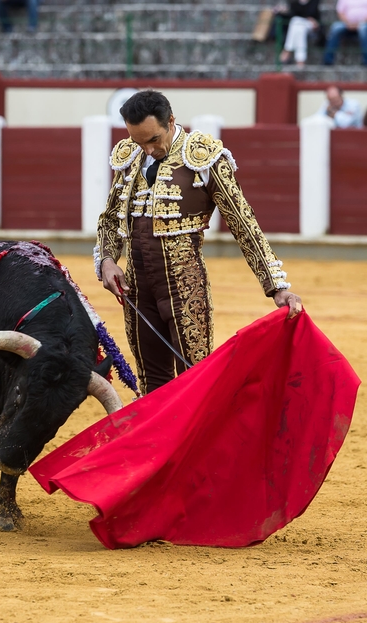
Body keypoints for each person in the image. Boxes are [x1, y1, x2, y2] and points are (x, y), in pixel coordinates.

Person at [94, 90, 303, 395]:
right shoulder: (130, 156)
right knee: (151, 384)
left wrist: (277, 286)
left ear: (171, 122)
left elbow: (243, 224)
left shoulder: (203, 157)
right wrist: (108, 260)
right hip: (137, 291)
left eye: (153, 139)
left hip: (184, 287)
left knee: (195, 381)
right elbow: (110, 219)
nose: (147, 150)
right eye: (138, 141)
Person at [322, 0, 367, 67]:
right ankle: (327, 61)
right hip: (348, 24)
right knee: (335, 27)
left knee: (363, 28)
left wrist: (361, 22)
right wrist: (348, 23)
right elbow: (340, 12)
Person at [276, 0, 321, 66]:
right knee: (297, 24)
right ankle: (300, 61)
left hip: (310, 26)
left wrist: (312, 20)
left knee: (296, 22)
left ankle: (287, 50)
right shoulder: (294, 2)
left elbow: (314, 16)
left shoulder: (314, 1)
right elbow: (292, 15)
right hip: (299, 27)